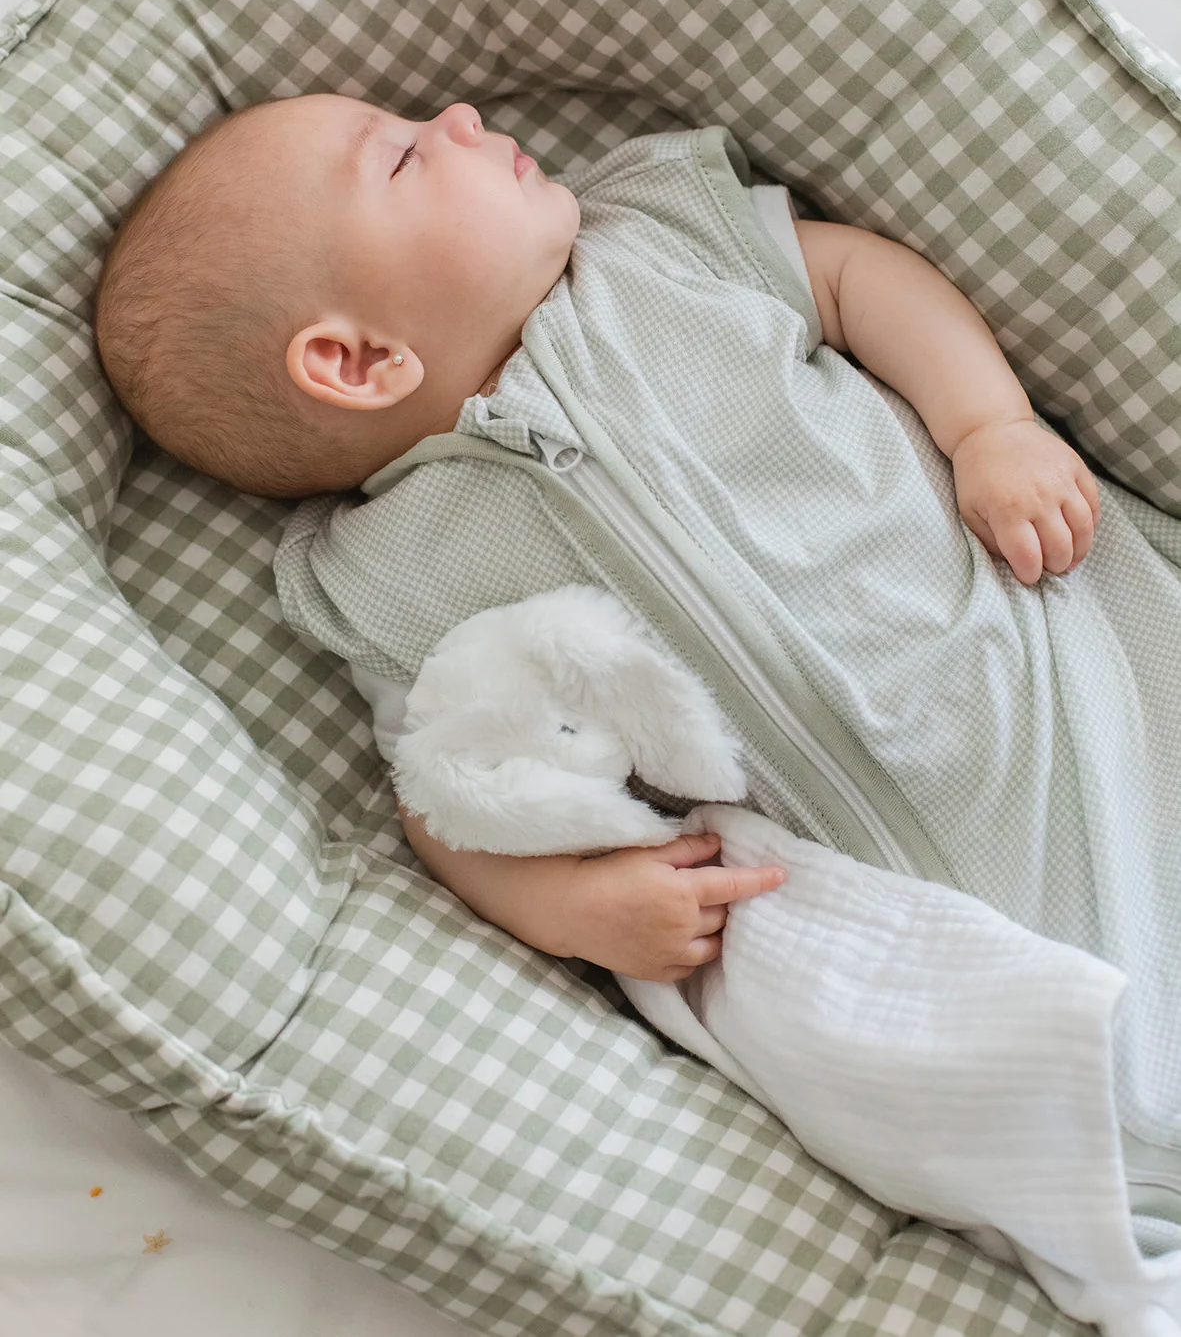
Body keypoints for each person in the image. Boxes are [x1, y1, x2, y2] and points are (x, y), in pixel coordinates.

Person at [101, 91, 1170, 1030]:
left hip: (1040, 651)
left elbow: (849, 277)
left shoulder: (652, 236)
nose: (459, 118)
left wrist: (988, 424)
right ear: (357, 359)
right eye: (404, 154)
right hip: (862, 884)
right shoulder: (383, 572)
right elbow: (449, 794)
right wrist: (565, 910)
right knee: (1063, 1064)